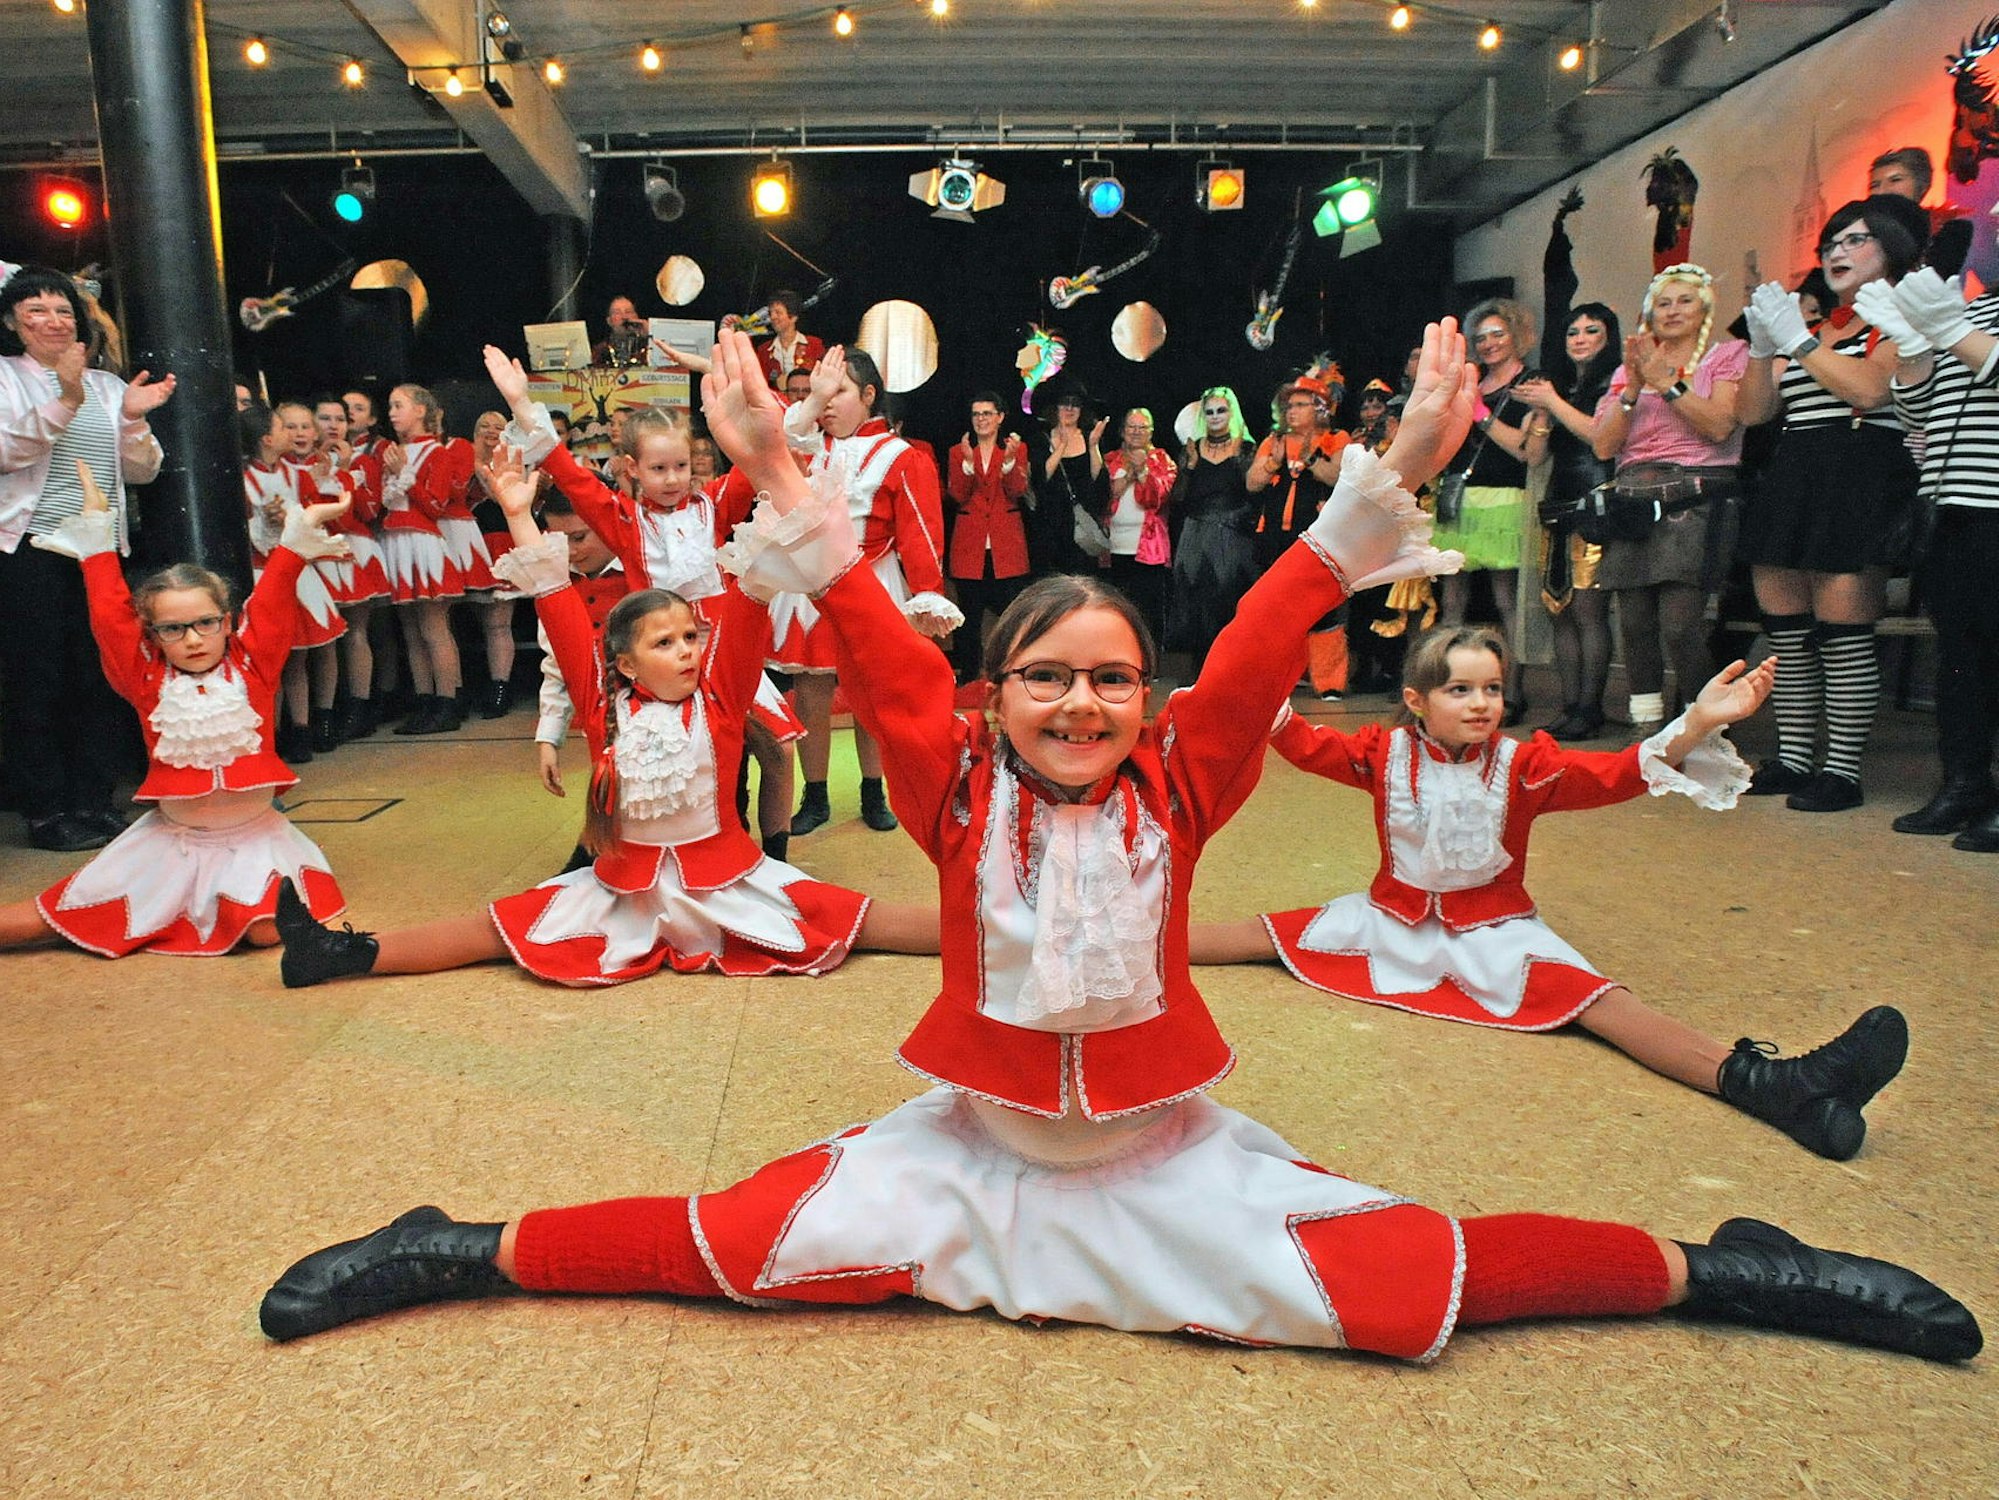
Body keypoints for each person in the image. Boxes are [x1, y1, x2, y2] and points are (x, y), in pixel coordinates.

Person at [255, 325, 1983, 1371]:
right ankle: (452, 1239)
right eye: (1044, 680)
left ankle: (1725, 1267)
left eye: (1106, 681)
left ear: (1137, 700)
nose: (1079, 704)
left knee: (1406, 1283)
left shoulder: (1181, 780)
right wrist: (774, 461)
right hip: (967, 1157)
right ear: (989, 695)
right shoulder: (940, 780)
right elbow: (858, 621)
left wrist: (1388, 473)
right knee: (734, 1249)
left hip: (1162, 1167)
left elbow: (1266, 631)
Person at [1188, 623, 1908, 1161]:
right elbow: (1298, 741)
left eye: (1492, 689)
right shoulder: (1384, 753)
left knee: (1608, 1007)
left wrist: (1697, 723)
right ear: (1415, 699)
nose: (1480, 704)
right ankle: (1100, 937)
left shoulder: (1524, 765)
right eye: (1458, 689)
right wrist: (1250, 691)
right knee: (1251, 937)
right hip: (1388, 920)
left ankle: (1772, 1086)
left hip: (1496, 932)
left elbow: (1621, 772)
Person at [272, 444, 938, 989]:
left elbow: (746, 603)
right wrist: (519, 514)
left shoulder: (721, 697)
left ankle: (1006, 931)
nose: (686, 650)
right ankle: (338, 953)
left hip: (729, 883)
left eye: (689, 637)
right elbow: (557, 602)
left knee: (864, 919)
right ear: (623, 664)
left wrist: (773, 502)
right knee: (495, 928)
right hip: (624, 892)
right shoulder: (604, 707)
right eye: (663, 642)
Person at [0, 461, 350, 955]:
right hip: (171, 847)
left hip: (256, 845)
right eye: (172, 629)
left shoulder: (253, 668)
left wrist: (293, 545)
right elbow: (110, 618)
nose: (192, 639)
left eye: (206, 622)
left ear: (228, 623)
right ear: (155, 636)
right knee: (44, 921)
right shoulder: (144, 678)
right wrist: (98, 542)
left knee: (265, 929)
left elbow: (271, 603)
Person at [1736, 198, 1928, 812]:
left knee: (1844, 632)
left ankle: (1842, 770)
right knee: (1787, 635)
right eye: (1832, 243)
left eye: (1855, 241)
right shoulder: (1824, 330)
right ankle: (1794, 759)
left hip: (1861, 474)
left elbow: (1872, 391)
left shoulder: (1901, 318)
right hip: (1795, 472)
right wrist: (1765, 349)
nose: (1837, 253)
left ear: (1892, 247)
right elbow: (1753, 415)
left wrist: (1796, 340)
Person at [0, 266, 174, 852]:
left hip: (99, 553)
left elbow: (141, 470)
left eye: (63, 310)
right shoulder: (5, 379)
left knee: (100, 679)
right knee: (36, 683)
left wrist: (131, 416)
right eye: (37, 312)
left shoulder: (105, 384)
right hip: (32, 552)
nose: (53, 321)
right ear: (12, 324)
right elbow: (6, 452)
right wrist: (64, 397)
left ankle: (94, 801)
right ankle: (48, 811)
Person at [776, 345, 959, 836]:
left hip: (873, 583)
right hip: (810, 587)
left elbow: (920, 532)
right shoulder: (806, 446)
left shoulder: (904, 457)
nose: (826, 403)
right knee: (810, 694)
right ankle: (814, 796)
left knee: (872, 696)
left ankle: (873, 792)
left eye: (837, 392)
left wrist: (926, 592)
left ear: (869, 395)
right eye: (820, 393)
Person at [1856, 267, 1999, 850]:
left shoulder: (1964, 318)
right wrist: (1915, 349)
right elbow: (1921, 416)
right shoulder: (1981, 308)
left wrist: (1947, 328)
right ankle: (1964, 784)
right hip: (1951, 508)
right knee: (1960, 658)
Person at [1593, 264, 1748, 736]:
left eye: (1684, 300)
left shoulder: (1726, 356)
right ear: (1649, 314)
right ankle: (1648, 729)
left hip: (1694, 497)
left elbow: (1721, 426)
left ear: (1704, 309)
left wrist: (1668, 382)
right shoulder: (1626, 370)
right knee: (1635, 625)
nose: (1673, 310)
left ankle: (1706, 729)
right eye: (1663, 302)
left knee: (1680, 626)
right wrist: (1633, 390)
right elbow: (1603, 447)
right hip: (1633, 499)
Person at [1432, 299, 1547, 719]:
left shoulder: (1531, 383)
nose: (1489, 343)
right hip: (1458, 497)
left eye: (1497, 334)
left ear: (1517, 335)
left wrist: (1479, 414)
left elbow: (1524, 449)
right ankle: (1447, 685)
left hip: (1503, 498)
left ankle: (1511, 693)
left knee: (1506, 601)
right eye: (1481, 338)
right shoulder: (1471, 381)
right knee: (1453, 600)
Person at [1517, 303, 1621, 739]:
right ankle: (1569, 705)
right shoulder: (1562, 388)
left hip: (1597, 499)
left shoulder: (1614, 382)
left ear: (1608, 337)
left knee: (1588, 609)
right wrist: (1542, 414)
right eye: (1571, 331)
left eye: (1590, 331)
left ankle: (1591, 707)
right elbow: (1535, 456)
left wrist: (1552, 402)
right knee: (1557, 607)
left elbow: (1601, 440)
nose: (1578, 338)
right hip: (1557, 499)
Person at [378, 384, 473, 735]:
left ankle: (448, 703)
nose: (391, 412)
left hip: (423, 542)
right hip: (397, 542)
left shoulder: (437, 452)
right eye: (389, 406)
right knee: (411, 630)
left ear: (420, 410)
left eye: (398, 405)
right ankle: (425, 702)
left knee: (433, 628)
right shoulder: (393, 452)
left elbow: (435, 505)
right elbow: (383, 502)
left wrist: (406, 474)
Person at [1165, 385, 1257, 674]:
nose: (1216, 416)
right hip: (1195, 535)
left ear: (1232, 413)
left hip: (1232, 534)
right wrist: (1189, 467)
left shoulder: (1245, 448)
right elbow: (1177, 497)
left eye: (1221, 410)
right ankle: (1201, 672)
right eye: (1210, 411)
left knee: (1229, 600)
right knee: (1194, 601)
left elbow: (1254, 493)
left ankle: (1231, 670)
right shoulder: (1192, 448)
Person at [944, 391, 1031, 683]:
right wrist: (968, 465)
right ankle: (969, 675)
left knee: (1011, 612)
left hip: (1005, 544)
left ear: (1000, 417)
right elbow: (957, 494)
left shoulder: (1016, 448)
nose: (981, 419)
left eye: (987, 414)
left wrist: (1008, 463)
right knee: (968, 615)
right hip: (970, 544)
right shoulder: (958, 451)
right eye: (976, 414)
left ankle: (1009, 671)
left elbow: (1017, 491)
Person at [1028, 383, 1108, 578]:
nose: (1070, 409)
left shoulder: (1091, 437)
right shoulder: (1041, 439)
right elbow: (1040, 479)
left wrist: (1094, 446)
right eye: (1065, 403)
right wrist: (1062, 446)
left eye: (1076, 404)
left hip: (1081, 526)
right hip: (1049, 528)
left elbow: (1100, 484)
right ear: (1055, 408)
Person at [1869, 146, 1970, 278]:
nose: (1882, 191)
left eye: (1895, 180)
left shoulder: (1952, 230)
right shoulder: (1859, 233)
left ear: (1922, 185)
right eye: (1875, 185)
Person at [755, 289, 825, 387]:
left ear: (793, 317)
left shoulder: (814, 344)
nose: (773, 317)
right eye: (771, 313)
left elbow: (822, 380)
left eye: (778, 313)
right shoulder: (763, 350)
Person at [590, 295, 648, 369]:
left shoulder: (648, 348)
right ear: (609, 321)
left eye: (628, 312)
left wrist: (650, 334)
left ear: (636, 317)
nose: (624, 317)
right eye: (617, 313)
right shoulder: (600, 351)